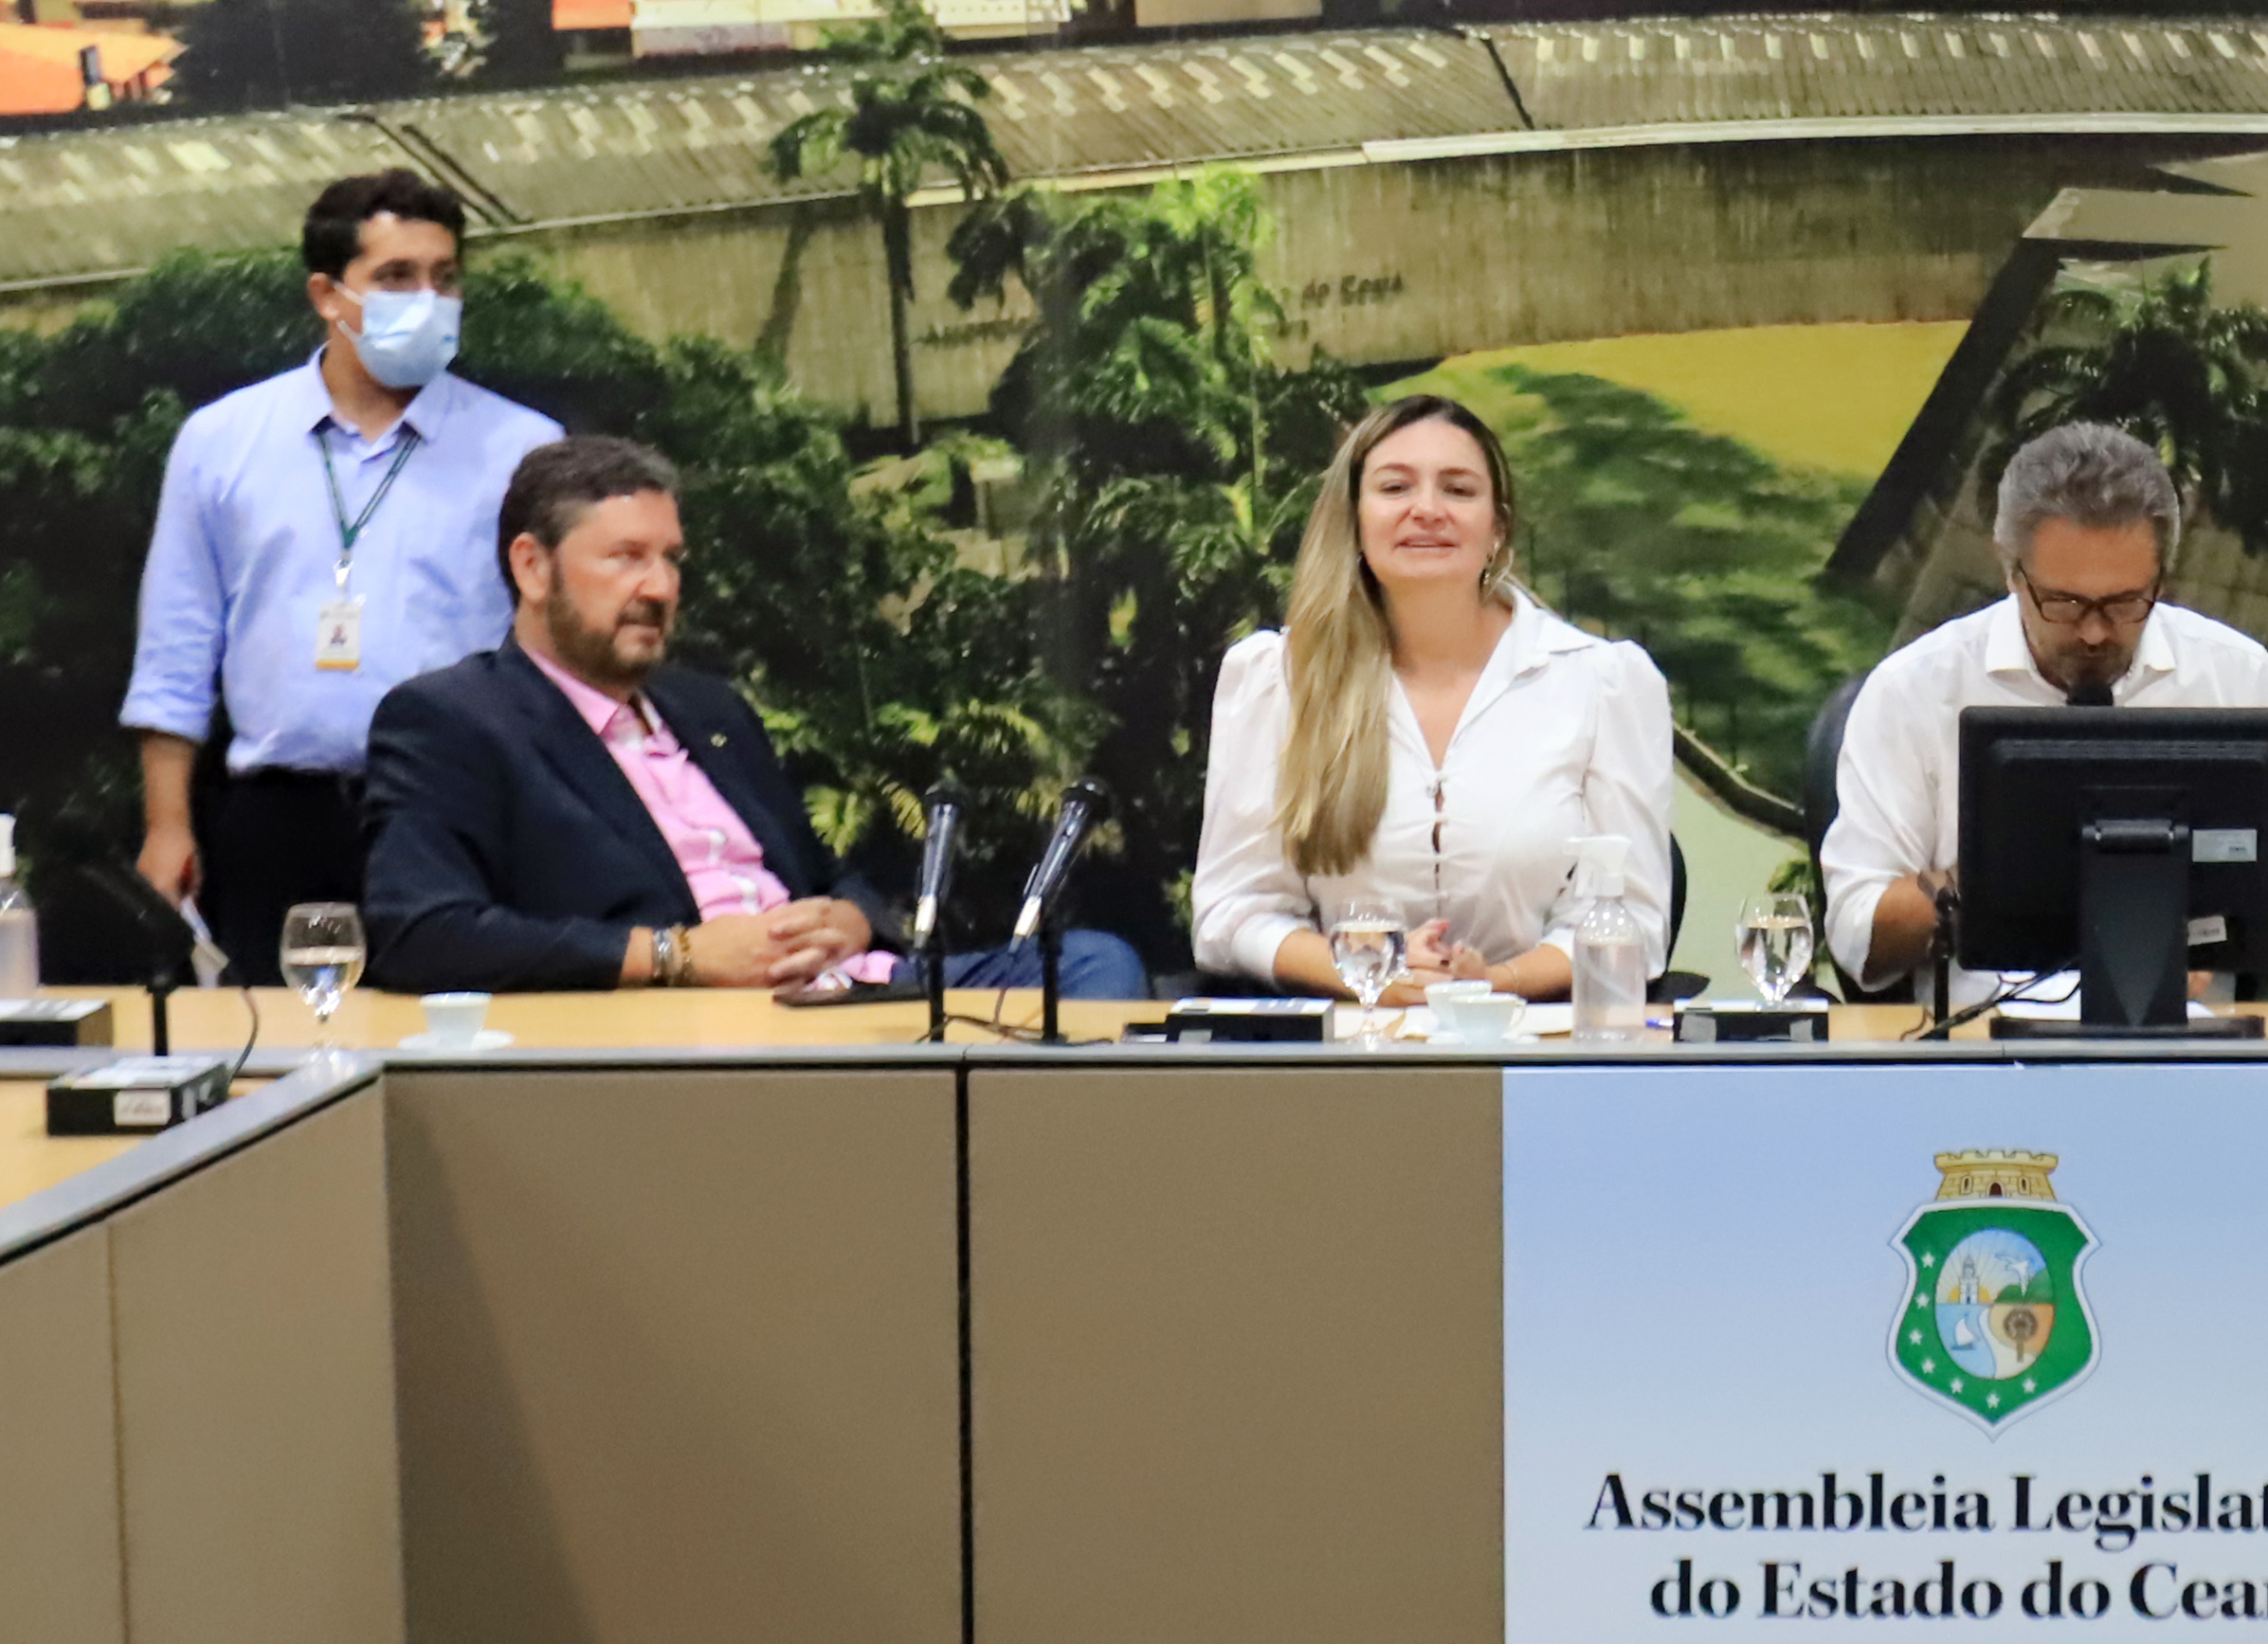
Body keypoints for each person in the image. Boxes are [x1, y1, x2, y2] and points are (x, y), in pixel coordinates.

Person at [361, 437, 1146, 998]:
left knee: (1094, 964)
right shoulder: (456, 720)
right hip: (695, 1023)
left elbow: (824, 875)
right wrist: (673, 955)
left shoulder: (709, 708)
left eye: (671, 559)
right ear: (533, 567)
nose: (660, 587)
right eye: (626, 557)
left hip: (852, 989)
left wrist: (850, 919)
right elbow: (418, 933)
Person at [120, 169, 564, 984]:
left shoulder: (523, 449)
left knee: (457, 1028)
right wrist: (167, 825)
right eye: (396, 277)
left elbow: (555, 657)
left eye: (444, 278)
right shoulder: (222, 441)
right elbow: (176, 652)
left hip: (456, 809)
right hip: (276, 816)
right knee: (282, 1039)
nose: (428, 299)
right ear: (328, 295)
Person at [1824, 423, 2268, 997]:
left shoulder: (2236, 674)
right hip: (1984, 1042)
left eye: (2125, 602)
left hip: (2192, 1038)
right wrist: (2008, 874)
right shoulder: (1914, 689)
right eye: (2064, 603)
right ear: (2010, 570)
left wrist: (2199, 914)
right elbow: (1857, 931)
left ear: (2162, 579)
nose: (2094, 632)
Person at [1194, 395, 1672, 998]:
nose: (1426, 510)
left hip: (1533, 1039)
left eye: (1458, 490)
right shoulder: (1276, 678)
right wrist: (1368, 972)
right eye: (1395, 488)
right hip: (1348, 1039)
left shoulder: (1603, 682)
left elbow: (1633, 923)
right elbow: (1231, 913)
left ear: (1497, 528)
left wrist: (1496, 983)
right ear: (1354, 520)